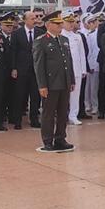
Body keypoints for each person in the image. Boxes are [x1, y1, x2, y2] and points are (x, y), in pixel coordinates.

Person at [33, 11, 75, 152]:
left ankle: (60, 138)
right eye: (57, 24)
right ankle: (47, 140)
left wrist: (72, 79)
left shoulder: (64, 40)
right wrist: (42, 85)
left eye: (60, 23)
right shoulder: (41, 41)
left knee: (63, 111)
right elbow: (39, 66)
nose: (60, 26)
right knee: (48, 113)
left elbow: (68, 61)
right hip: (50, 84)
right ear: (48, 25)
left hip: (64, 82)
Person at [10, 11, 45, 129]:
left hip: (36, 70)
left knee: (35, 95)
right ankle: (17, 120)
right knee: (19, 95)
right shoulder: (17, 34)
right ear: (25, 20)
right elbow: (13, 52)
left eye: (35, 18)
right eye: (31, 18)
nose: (34, 20)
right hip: (21, 69)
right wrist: (14, 68)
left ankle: (34, 119)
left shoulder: (40, 33)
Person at [61, 10, 87, 125]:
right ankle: (62, 115)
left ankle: (73, 115)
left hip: (76, 69)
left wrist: (83, 69)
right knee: (62, 95)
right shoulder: (59, 35)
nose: (71, 24)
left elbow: (82, 54)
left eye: (72, 21)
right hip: (63, 71)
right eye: (68, 22)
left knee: (75, 94)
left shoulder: (77, 37)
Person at [82, 13, 101, 116]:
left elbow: (95, 51)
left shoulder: (96, 34)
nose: (93, 24)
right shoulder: (86, 34)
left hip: (94, 65)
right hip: (87, 65)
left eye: (94, 22)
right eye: (91, 22)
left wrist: (93, 65)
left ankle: (94, 106)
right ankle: (87, 104)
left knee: (94, 87)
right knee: (87, 87)